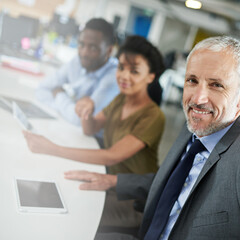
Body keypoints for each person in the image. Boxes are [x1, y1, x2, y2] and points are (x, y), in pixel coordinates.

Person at [65, 36, 240, 240]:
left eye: (216, 85)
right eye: (192, 80)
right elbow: (176, 183)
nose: (198, 98)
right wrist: (113, 181)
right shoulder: (196, 127)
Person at [23, 35, 166, 230]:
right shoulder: (120, 101)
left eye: (134, 71)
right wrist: (87, 108)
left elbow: (111, 156)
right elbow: (90, 128)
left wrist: (52, 149)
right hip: (105, 182)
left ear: (151, 76)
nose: (124, 76)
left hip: (133, 199)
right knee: (50, 192)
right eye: (121, 67)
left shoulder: (154, 116)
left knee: (66, 214)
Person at [36, 18, 119, 131]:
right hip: (67, 128)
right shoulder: (78, 61)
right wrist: (68, 107)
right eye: (81, 44)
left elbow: (80, 120)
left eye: (93, 47)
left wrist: (59, 94)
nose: (84, 53)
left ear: (109, 51)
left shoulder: (114, 77)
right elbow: (41, 90)